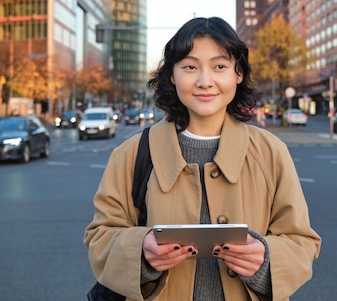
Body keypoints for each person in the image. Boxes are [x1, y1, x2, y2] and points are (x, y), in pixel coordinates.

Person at [84, 17, 321, 301]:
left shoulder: (271, 152)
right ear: (171, 75)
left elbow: (302, 241)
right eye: (190, 67)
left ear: (238, 74)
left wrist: (266, 259)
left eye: (219, 66)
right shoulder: (132, 154)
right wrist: (141, 251)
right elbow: (100, 236)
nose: (204, 81)